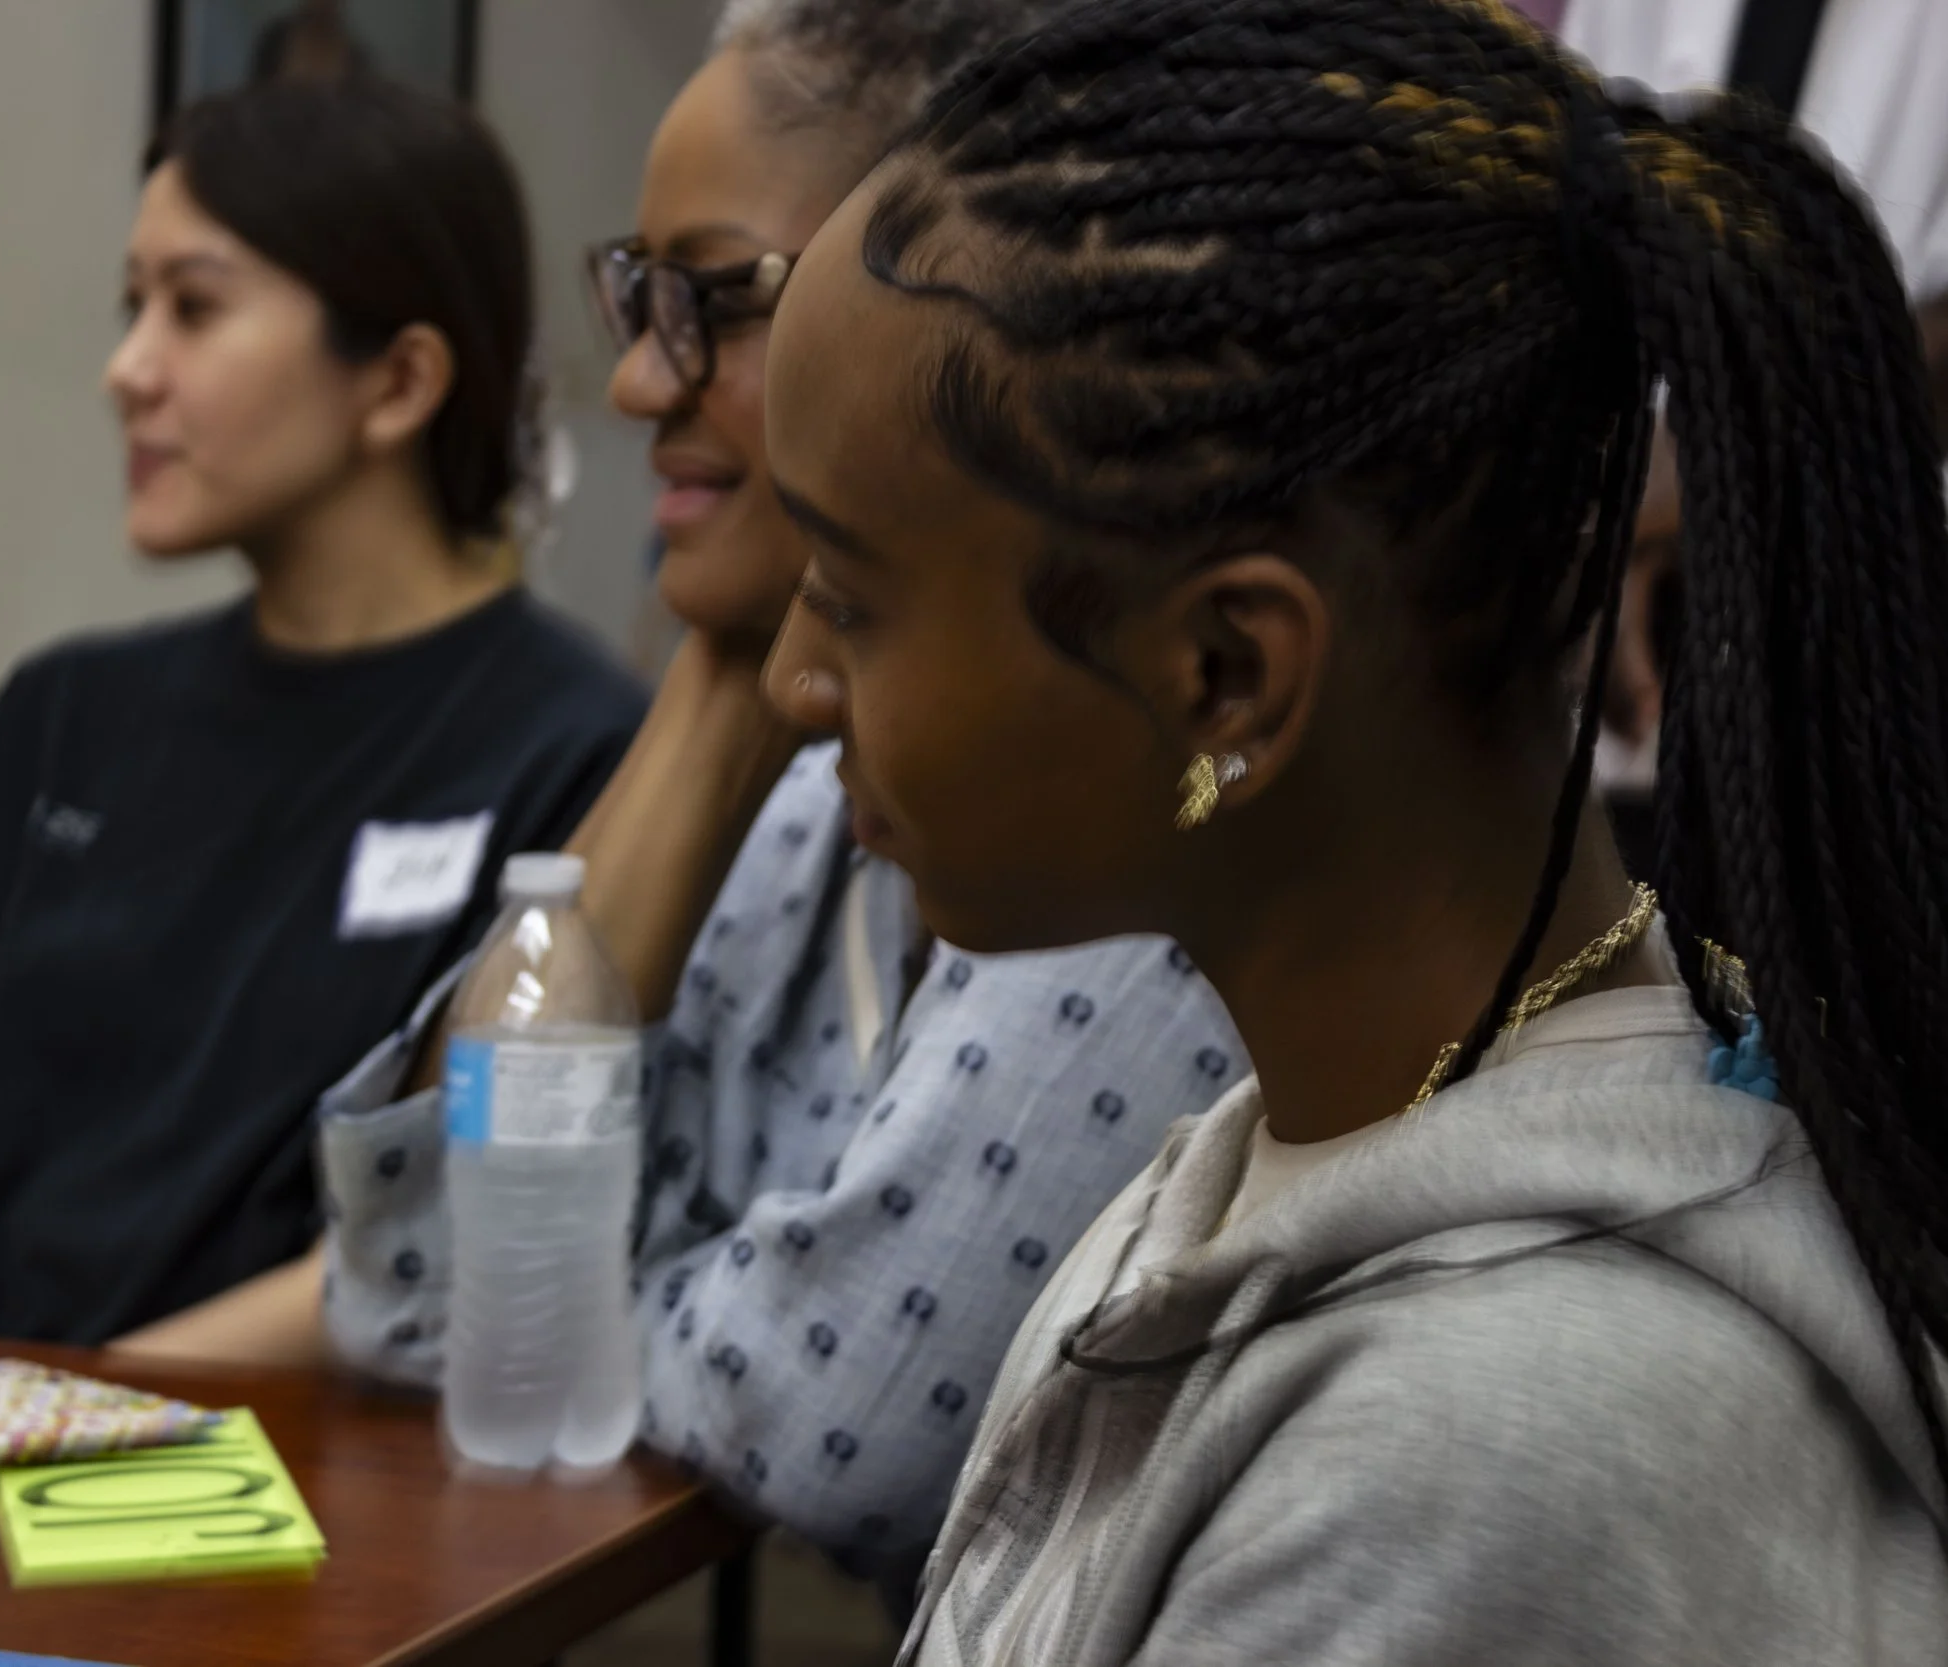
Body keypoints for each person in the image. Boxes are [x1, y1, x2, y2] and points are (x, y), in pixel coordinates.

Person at [756, 0, 1948, 1658]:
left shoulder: (1480, 1445)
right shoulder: (1278, 1157)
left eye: (847, 592)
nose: (792, 679)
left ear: (1227, 674)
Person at [316, 0, 1244, 1596]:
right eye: (636, 298)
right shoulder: (810, 787)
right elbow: (408, 1288)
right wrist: (711, 692)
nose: (635, 380)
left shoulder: (1130, 773)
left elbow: (844, 1417)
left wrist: (588, 1307)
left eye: (712, 301)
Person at [0, 75, 645, 1358]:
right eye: (133, 308)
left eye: (195, 308)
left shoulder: (577, 752)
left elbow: (438, 1248)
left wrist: (74, 1418)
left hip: (282, 1454)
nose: (126, 371)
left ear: (398, 382)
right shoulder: (60, 713)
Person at [1549, 0, 1948, 749]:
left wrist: (1711, 449)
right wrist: (1604, 509)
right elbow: (1563, 229)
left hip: (1876, 649)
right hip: (1633, 661)